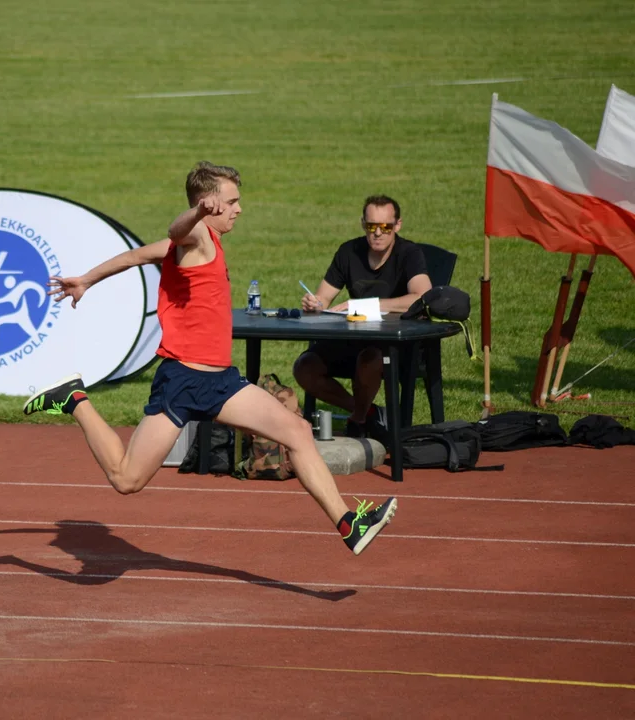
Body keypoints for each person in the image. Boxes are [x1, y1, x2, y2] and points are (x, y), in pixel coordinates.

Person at [21, 162, 396, 556]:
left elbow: (135, 256)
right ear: (209, 203)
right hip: (182, 382)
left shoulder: (201, 245)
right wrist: (198, 213)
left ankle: (348, 523)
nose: (238, 209)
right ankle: (74, 398)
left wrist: (86, 280)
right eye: (231, 201)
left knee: (298, 433)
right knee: (126, 479)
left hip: (220, 383)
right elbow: (175, 230)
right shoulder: (197, 234)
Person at [294, 195, 432, 443]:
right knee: (304, 367)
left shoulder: (410, 254)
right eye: (371, 226)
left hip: (394, 344)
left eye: (385, 227)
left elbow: (422, 297)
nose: (378, 233)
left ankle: (358, 420)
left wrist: (370, 305)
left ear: (397, 225)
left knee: (370, 359)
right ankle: (367, 412)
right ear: (363, 224)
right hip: (353, 337)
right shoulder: (349, 252)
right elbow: (324, 298)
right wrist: (315, 304)